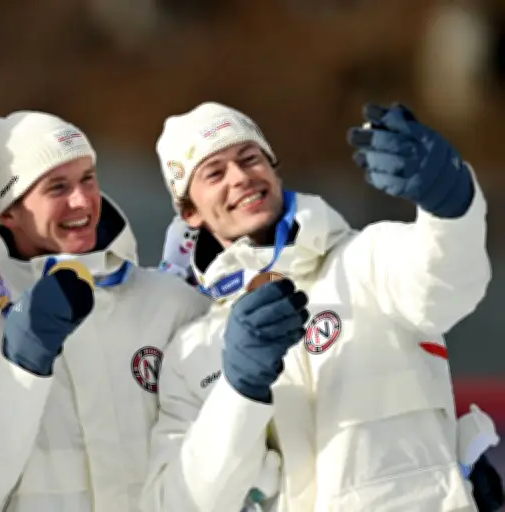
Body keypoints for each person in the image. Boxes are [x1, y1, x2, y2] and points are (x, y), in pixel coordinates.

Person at [140, 101, 496, 511]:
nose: (240, 177)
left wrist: (450, 205)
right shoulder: (191, 352)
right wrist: (238, 391)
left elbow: (449, 284)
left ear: (274, 170)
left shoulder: (364, 261)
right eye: (214, 173)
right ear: (190, 212)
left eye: (250, 158)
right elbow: (179, 503)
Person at [0, 110, 211, 511]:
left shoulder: (171, 304)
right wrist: (21, 367)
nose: (81, 200)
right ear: (7, 212)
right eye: (57, 187)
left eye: (88, 179)